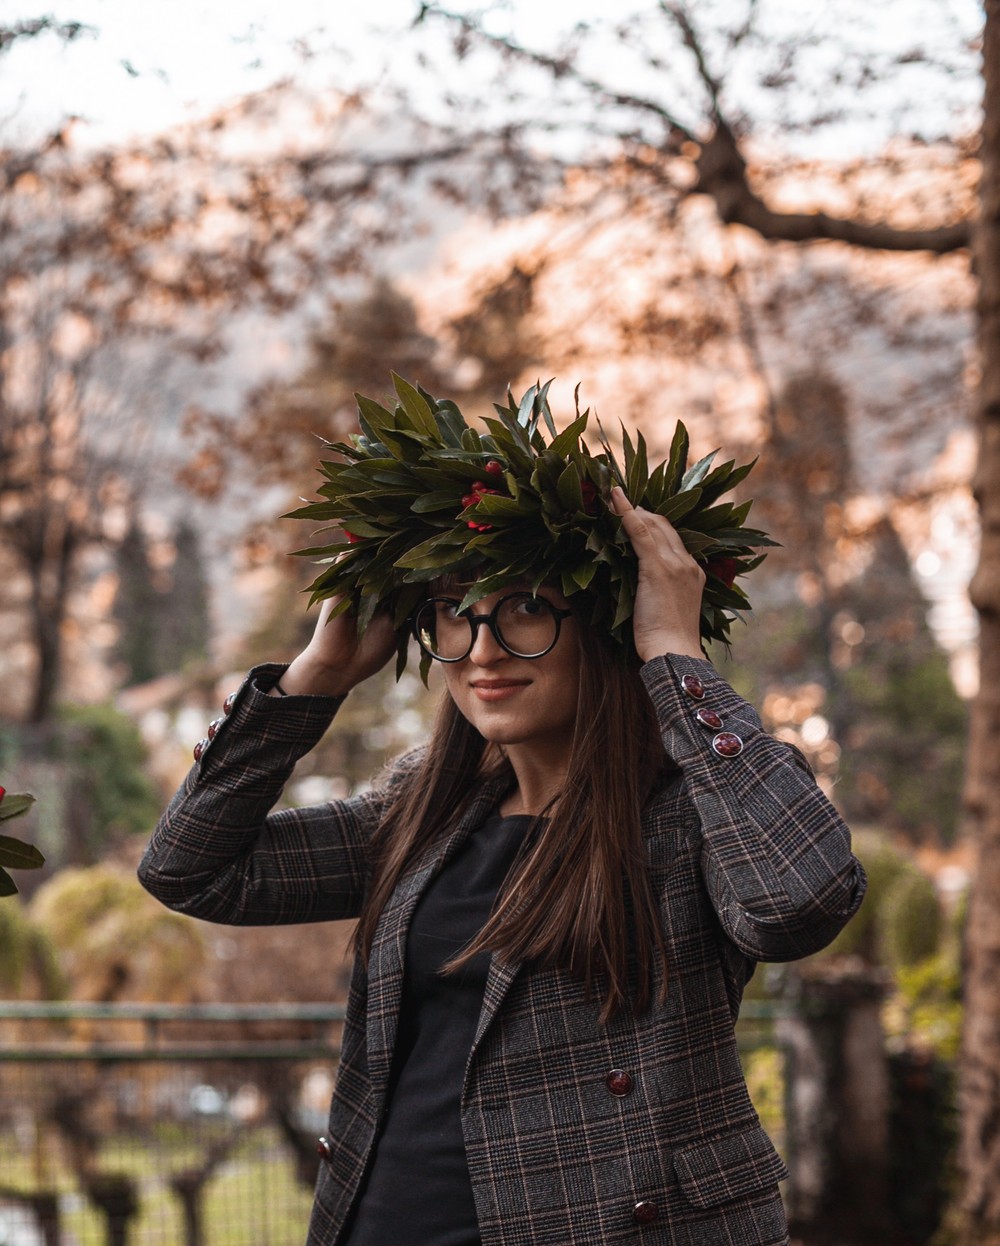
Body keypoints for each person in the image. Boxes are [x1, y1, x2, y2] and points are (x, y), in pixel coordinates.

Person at [139, 382, 866, 1246]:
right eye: (456, 614)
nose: (483, 651)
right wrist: (312, 680)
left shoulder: (696, 801)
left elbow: (799, 902)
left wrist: (674, 656)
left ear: (606, 622)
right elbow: (192, 869)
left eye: (525, 609)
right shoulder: (429, 804)